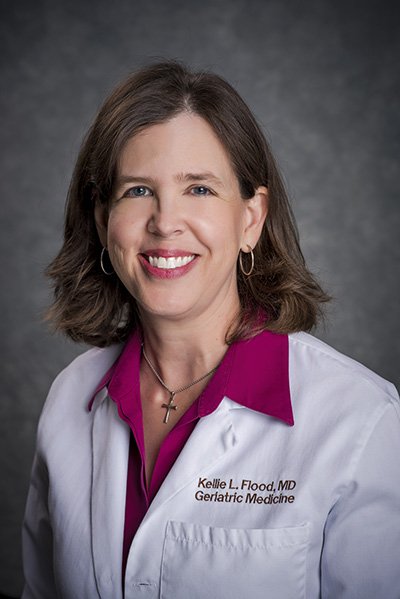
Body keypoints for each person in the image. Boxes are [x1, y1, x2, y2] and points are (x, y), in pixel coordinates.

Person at [22, 61, 400, 599]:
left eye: (198, 189)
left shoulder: (361, 422)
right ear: (103, 218)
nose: (164, 222)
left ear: (250, 219)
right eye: (136, 191)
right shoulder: (68, 400)